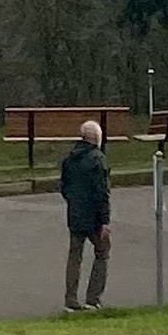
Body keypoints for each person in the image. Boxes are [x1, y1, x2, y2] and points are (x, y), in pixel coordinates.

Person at [58, 118, 110, 312]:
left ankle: (70, 299)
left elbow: (63, 187)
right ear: (96, 138)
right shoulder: (98, 159)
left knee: (75, 256)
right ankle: (93, 298)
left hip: (75, 213)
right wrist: (104, 220)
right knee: (102, 252)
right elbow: (102, 192)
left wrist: (73, 202)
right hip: (94, 217)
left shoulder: (69, 159)